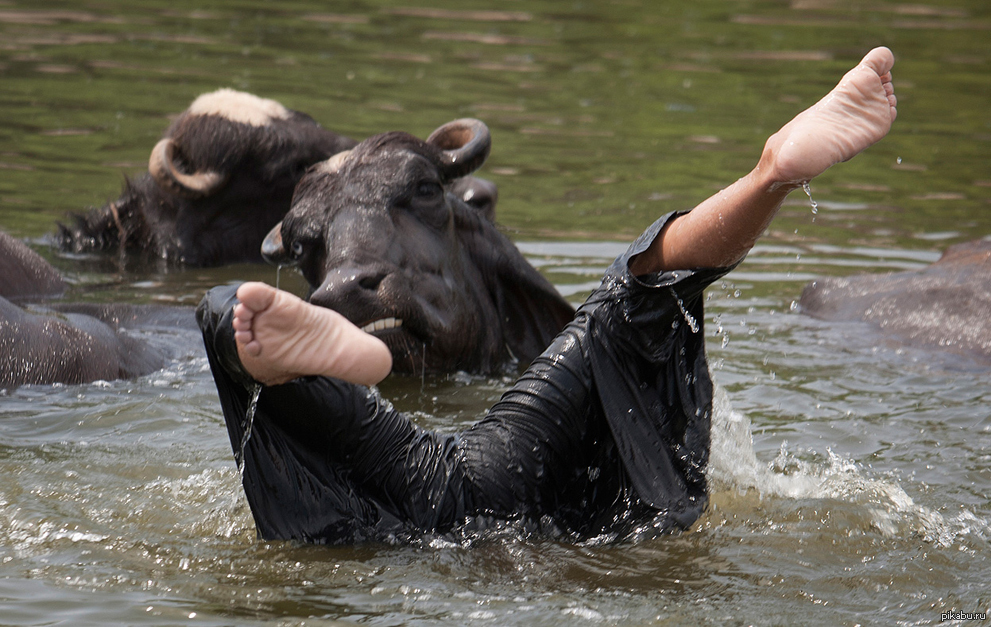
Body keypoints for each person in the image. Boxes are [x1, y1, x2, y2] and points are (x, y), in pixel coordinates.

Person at [197, 48, 897, 544]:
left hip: (386, 497)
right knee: (631, 291)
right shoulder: (545, 371)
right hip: (531, 479)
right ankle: (770, 173)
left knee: (227, 315)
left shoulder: (357, 440)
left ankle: (273, 356)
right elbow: (636, 295)